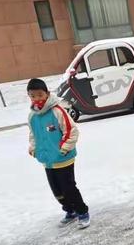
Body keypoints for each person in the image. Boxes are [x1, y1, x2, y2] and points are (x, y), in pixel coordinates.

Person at [27, 78, 90, 229]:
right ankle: (70, 211)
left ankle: (82, 212)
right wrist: (33, 148)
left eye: (40, 95)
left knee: (68, 187)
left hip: (64, 158)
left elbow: (71, 130)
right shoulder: (32, 116)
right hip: (47, 160)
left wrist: (64, 148)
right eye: (33, 96)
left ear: (47, 94)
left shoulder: (57, 111)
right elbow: (33, 134)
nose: (37, 99)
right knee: (57, 190)